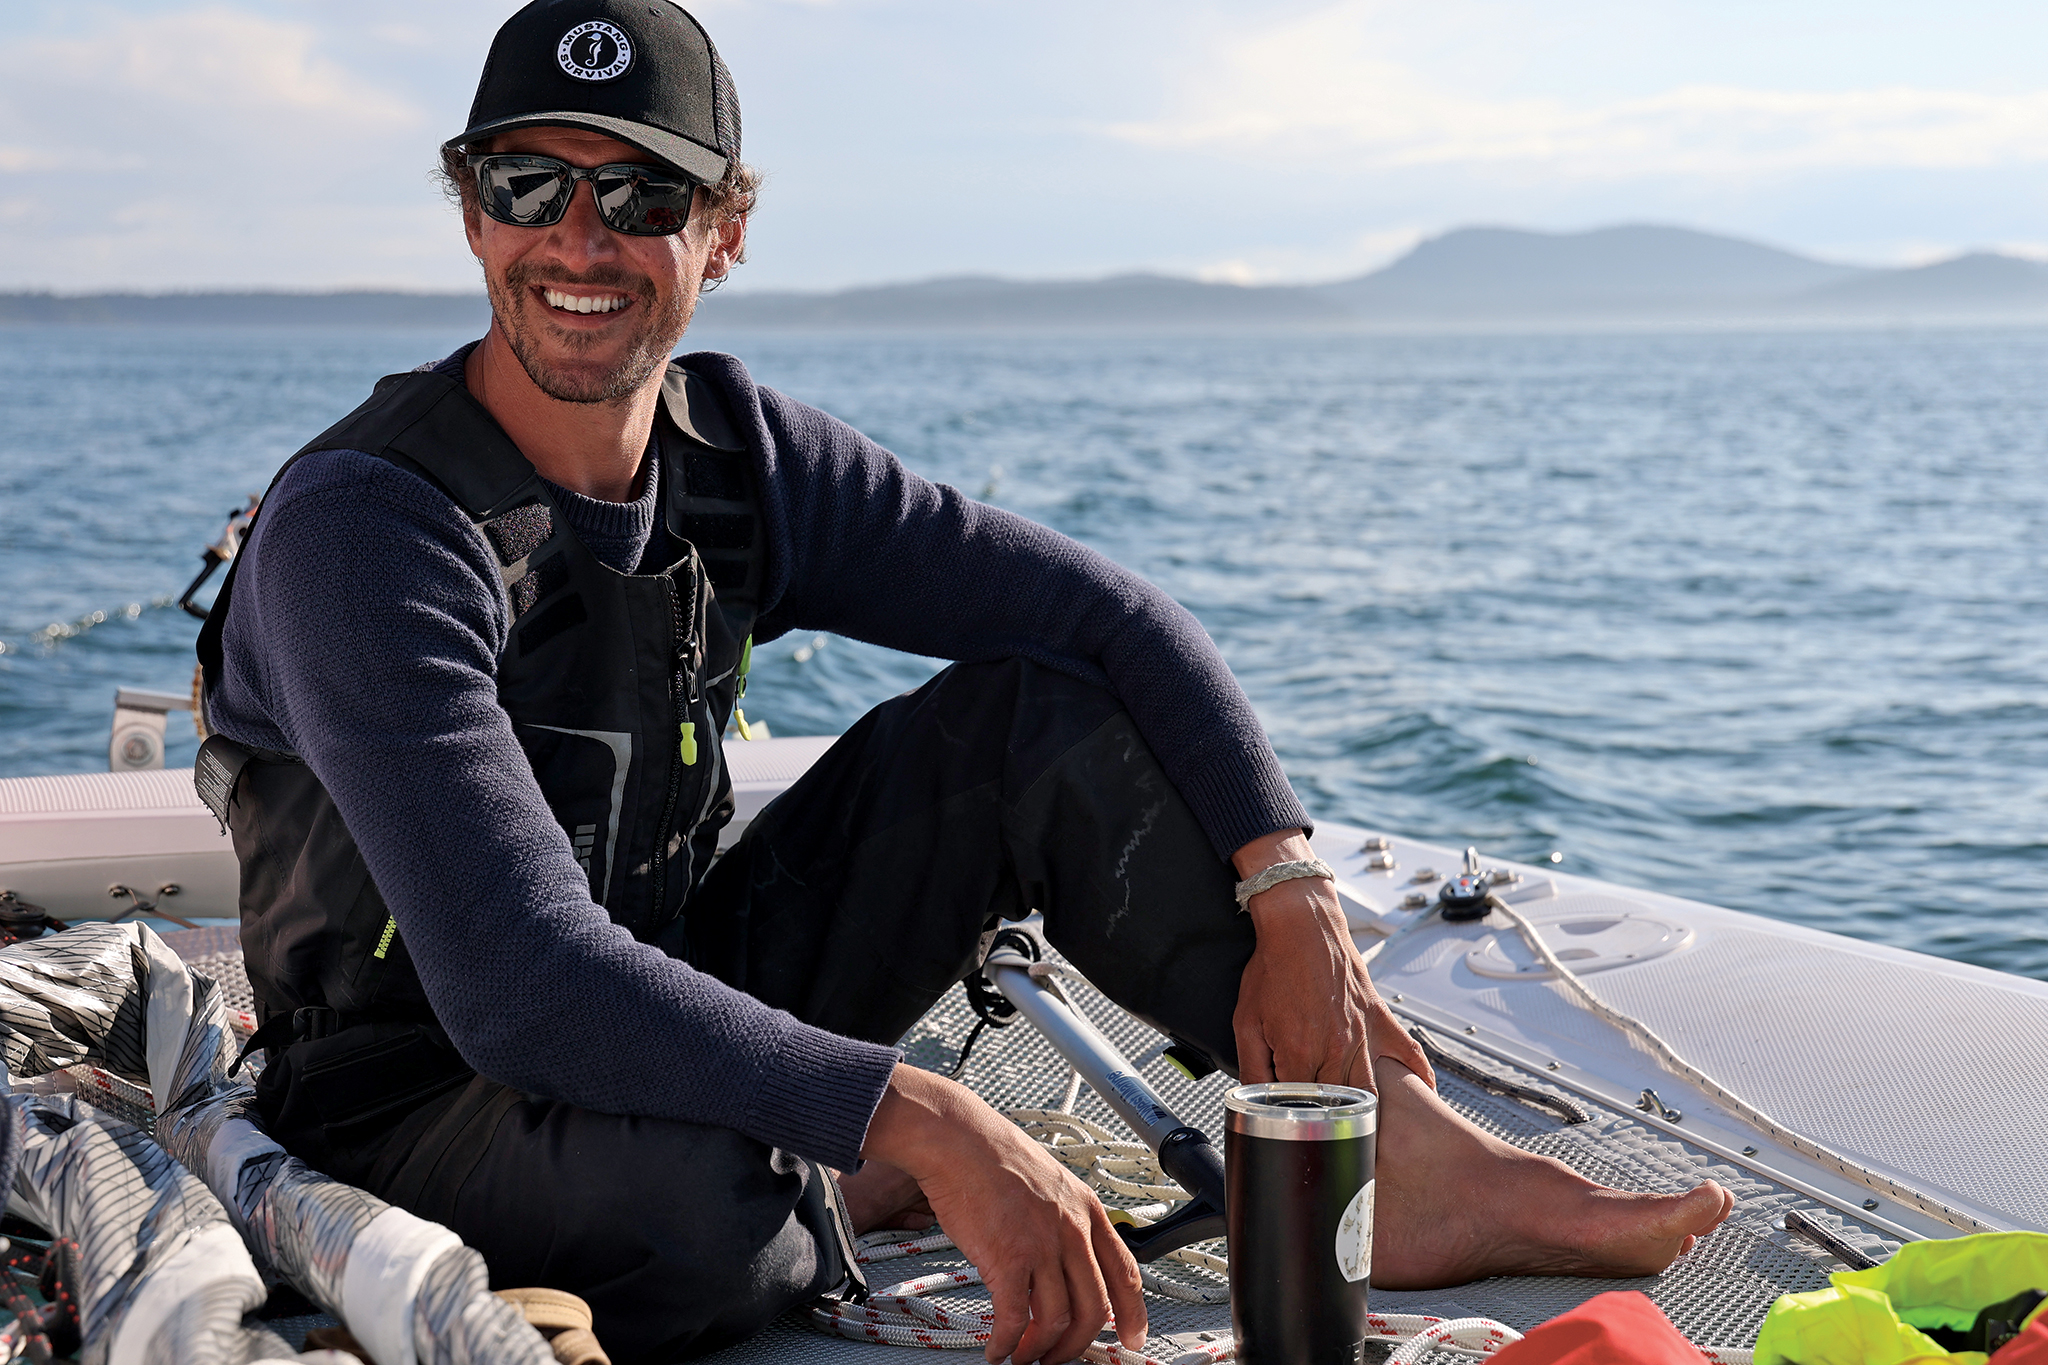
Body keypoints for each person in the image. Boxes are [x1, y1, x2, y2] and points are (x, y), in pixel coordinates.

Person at [195, 3, 1734, 1362]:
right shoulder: (371, 530)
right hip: (415, 1106)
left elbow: (1106, 616)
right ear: (473, 215)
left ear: (726, 230)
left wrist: (1289, 881)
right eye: (530, 185)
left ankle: (1404, 1169)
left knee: (1033, 719)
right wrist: (920, 1113)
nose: (580, 243)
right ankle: (829, 1169)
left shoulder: (739, 462)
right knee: (699, 1213)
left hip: (670, 1001)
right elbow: (521, 981)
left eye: (643, 195)